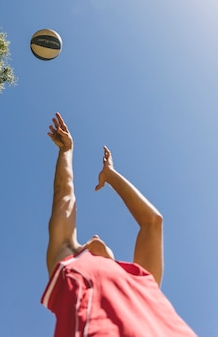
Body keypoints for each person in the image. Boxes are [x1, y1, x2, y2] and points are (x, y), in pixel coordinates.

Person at [41, 112, 198, 337]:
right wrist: (66, 151)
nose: (94, 236)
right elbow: (63, 194)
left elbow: (153, 222)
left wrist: (110, 175)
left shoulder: (141, 278)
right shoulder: (69, 262)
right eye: (85, 242)